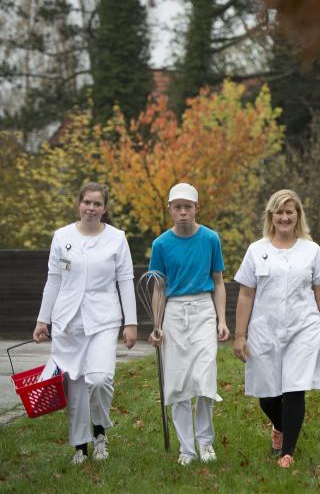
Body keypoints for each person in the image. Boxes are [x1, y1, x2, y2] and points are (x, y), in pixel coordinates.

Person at [233, 189, 320, 468]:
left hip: (302, 328)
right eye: (279, 212)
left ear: (297, 216)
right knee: (267, 395)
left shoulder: (311, 250)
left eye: (289, 212)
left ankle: (287, 452)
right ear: (272, 216)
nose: (284, 217)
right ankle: (281, 426)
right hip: (264, 329)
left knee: (295, 388)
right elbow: (245, 295)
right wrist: (240, 335)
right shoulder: (257, 250)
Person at [33, 182, 138, 464]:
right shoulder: (62, 236)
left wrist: (131, 323)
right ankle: (81, 446)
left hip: (103, 319)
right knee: (76, 388)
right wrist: (43, 320)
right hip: (68, 322)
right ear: (79, 204)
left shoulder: (117, 238)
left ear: (104, 209)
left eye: (97, 204)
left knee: (100, 379)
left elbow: (125, 281)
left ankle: (100, 430)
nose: (91, 208)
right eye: (87, 203)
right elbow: (53, 280)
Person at [147, 182, 230, 466]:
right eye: (177, 207)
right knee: (178, 382)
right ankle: (187, 448)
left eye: (188, 207)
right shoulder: (160, 244)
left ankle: (205, 442)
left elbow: (218, 281)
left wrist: (222, 319)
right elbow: (159, 288)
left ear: (196, 208)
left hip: (203, 309)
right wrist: (156, 325)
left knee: (205, 378)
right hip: (174, 312)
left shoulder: (210, 239)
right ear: (170, 209)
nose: (183, 212)